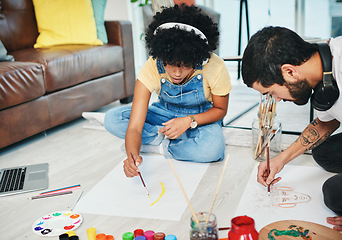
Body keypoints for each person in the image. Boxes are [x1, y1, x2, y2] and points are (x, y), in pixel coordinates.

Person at [103, 5, 231, 178]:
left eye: (186, 65)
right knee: (112, 119)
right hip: (163, 113)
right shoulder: (151, 66)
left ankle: (159, 145)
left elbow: (220, 110)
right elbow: (134, 126)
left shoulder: (215, 66)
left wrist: (188, 121)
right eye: (169, 63)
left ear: (197, 57)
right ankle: (175, 141)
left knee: (213, 149)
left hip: (199, 118)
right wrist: (131, 155)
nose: (177, 73)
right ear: (161, 55)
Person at [241, 26, 342, 231]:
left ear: (289, 71)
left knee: (334, 193)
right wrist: (281, 159)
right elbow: (327, 122)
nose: (276, 100)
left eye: (272, 93)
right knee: (324, 153)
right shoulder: (325, 68)